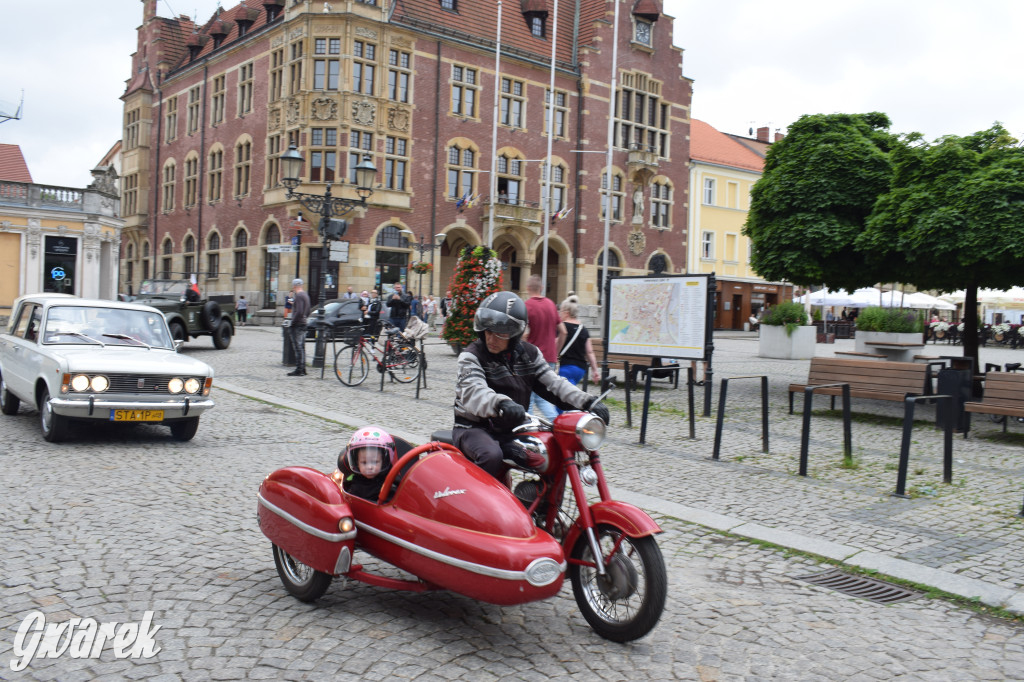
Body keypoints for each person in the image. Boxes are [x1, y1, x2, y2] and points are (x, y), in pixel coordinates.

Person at [453, 291, 609, 481]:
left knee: (553, 451)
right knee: (491, 456)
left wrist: (588, 402)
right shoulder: (472, 356)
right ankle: (475, 506)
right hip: (474, 428)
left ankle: (545, 508)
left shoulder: (529, 354)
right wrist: (501, 403)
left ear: (514, 333)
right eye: (487, 331)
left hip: (511, 429)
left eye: (500, 334)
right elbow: (474, 391)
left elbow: (554, 383)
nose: (491, 339)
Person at [523, 274, 566, 420]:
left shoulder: (526, 306)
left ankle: (528, 429)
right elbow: (564, 331)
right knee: (542, 398)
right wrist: (556, 351)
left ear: (527, 288)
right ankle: (556, 424)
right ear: (541, 288)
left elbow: (523, 334)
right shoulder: (551, 305)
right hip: (550, 358)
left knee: (528, 397)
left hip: (531, 359)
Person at [338, 425, 397, 501]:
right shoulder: (353, 482)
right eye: (364, 463)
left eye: (375, 462)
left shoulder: (391, 482)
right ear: (357, 463)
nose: (370, 467)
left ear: (383, 461)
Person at [557, 295, 600, 391]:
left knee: (563, 399)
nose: (559, 314)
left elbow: (555, 344)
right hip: (580, 370)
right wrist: (595, 370)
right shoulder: (583, 329)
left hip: (565, 368)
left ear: (567, 313)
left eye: (561, 311)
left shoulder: (562, 327)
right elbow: (590, 352)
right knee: (568, 396)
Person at [287, 278, 310, 376]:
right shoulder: (305, 295)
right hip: (303, 323)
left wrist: (293, 322)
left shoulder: (299, 296)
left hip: (298, 324)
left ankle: (299, 369)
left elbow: (299, 311)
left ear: (294, 286)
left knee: (298, 347)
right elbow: (307, 310)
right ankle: (303, 369)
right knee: (302, 347)